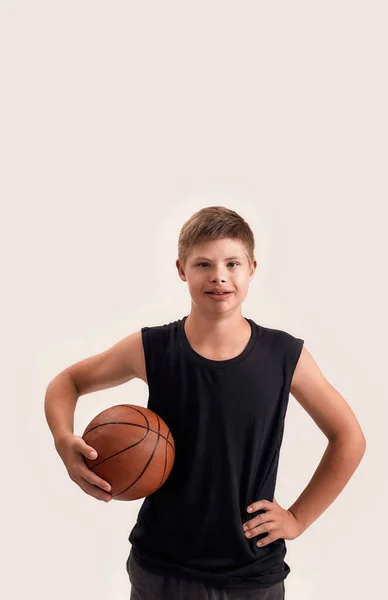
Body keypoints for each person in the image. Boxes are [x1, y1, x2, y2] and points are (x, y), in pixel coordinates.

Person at [44, 206, 366, 599]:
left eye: (232, 263)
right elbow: (68, 381)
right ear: (181, 270)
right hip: (161, 568)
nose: (219, 276)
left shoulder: (285, 355)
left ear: (252, 268)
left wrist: (298, 517)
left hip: (251, 572)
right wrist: (63, 439)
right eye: (203, 264)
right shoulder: (152, 349)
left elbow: (349, 436)